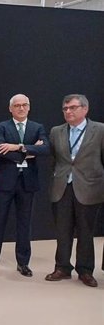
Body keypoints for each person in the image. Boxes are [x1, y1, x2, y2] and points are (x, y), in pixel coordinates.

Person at [0, 94, 49, 277]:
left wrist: (18, 147)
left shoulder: (37, 127)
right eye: (17, 105)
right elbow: (1, 150)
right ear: (10, 108)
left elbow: (45, 149)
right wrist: (29, 149)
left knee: (24, 224)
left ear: (29, 107)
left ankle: (23, 263)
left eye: (24, 105)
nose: (20, 108)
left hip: (28, 183)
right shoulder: (1, 127)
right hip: (5, 181)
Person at [46, 94, 104, 288]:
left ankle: (85, 270)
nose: (68, 111)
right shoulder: (56, 131)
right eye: (65, 109)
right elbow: (53, 159)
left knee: (86, 232)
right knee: (63, 231)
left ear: (85, 109)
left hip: (89, 188)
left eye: (72, 108)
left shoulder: (100, 130)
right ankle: (62, 267)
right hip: (62, 186)